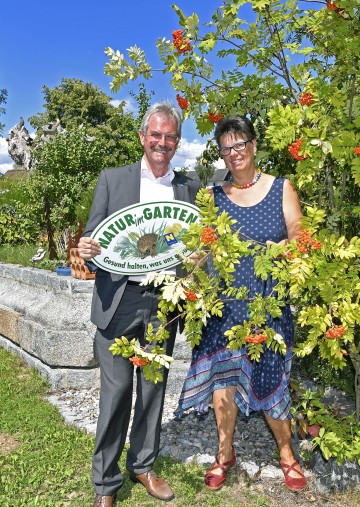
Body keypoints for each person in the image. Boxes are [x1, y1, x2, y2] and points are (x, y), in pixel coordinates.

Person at [78, 101, 201, 507]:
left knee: (152, 390)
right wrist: (85, 247)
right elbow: (95, 235)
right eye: (156, 135)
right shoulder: (113, 180)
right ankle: (105, 485)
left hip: (163, 305)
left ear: (177, 142)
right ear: (142, 136)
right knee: (115, 396)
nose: (162, 143)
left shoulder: (189, 188)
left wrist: (200, 262)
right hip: (120, 300)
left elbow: (197, 244)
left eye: (170, 137)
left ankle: (143, 465)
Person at [175, 115, 307, 492]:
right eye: (225, 148)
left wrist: (290, 244)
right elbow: (203, 245)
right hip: (225, 305)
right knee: (223, 383)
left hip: (267, 304)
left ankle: (286, 454)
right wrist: (190, 265)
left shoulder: (281, 187)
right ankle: (224, 453)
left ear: (253, 144)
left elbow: (298, 229)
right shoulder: (214, 196)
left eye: (239, 144)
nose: (233, 153)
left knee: (271, 380)